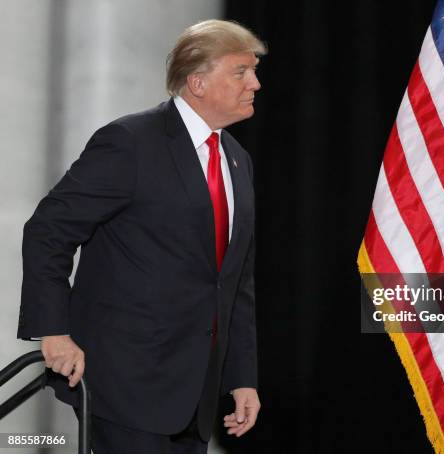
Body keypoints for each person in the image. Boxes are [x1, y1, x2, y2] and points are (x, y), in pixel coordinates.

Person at [17, 19, 265, 454]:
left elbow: (233, 281)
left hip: (196, 394)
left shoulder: (237, 160)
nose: (255, 83)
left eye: (254, 71)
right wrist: (53, 331)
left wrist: (241, 378)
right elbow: (48, 230)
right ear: (198, 82)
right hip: (125, 386)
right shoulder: (130, 142)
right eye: (241, 71)